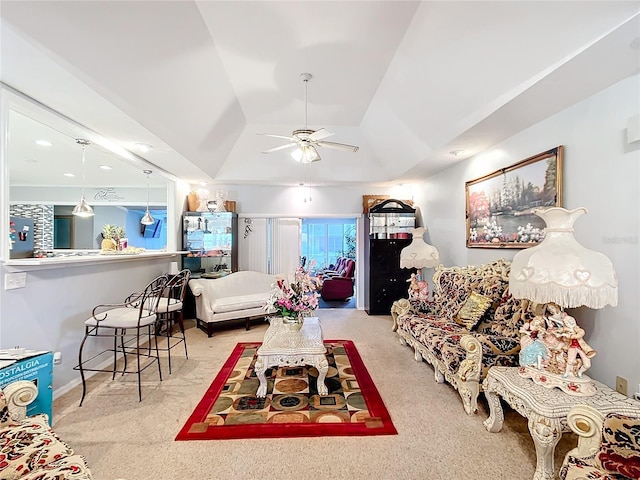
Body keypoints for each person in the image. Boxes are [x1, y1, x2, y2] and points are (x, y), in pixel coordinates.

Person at [546, 303, 596, 378]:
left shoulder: (578, 330)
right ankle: (566, 373)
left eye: (569, 323)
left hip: (582, 348)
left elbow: (578, 334)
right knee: (570, 361)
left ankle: (580, 372)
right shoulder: (567, 329)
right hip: (572, 347)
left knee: (587, 364)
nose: (568, 324)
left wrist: (568, 335)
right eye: (566, 323)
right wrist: (556, 332)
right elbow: (561, 330)